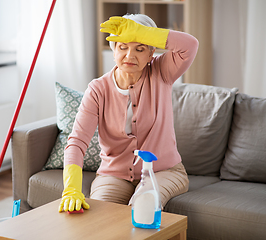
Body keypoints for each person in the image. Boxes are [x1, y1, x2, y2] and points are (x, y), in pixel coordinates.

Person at [58, 13, 199, 213]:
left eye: (139, 48)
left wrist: (144, 33)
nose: (129, 56)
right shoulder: (98, 89)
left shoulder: (162, 72)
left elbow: (190, 45)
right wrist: (71, 188)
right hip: (113, 175)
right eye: (123, 47)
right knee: (98, 217)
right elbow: (77, 141)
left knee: (143, 207)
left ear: (151, 54)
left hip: (163, 172)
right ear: (114, 50)